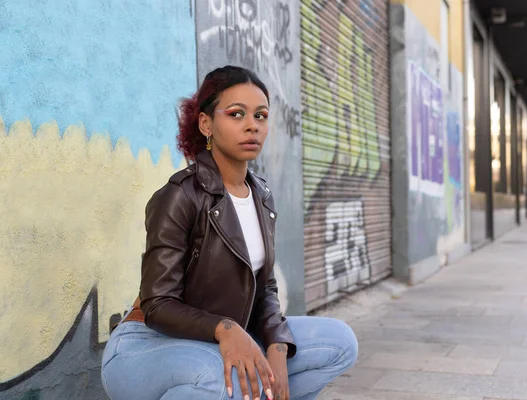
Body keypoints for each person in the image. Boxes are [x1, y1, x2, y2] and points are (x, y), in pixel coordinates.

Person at [101, 65, 358, 400]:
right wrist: (226, 329)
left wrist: (278, 346)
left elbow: (264, 286)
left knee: (340, 342)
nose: (252, 124)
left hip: (216, 340)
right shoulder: (180, 196)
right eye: (236, 114)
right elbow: (158, 304)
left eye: (261, 115)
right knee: (221, 378)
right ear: (206, 124)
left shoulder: (261, 196)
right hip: (147, 344)